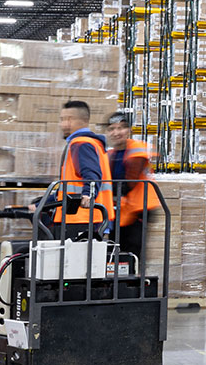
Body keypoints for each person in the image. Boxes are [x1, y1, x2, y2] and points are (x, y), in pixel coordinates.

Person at [54, 100, 116, 237]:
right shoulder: (92, 143)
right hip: (90, 216)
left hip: (82, 216)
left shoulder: (81, 144)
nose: (62, 124)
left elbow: (92, 174)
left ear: (72, 121)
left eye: (65, 119)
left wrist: (88, 195)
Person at [104, 111, 156, 268]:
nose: (116, 132)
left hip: (140, 209)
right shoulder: (110, 154)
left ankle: (135, 285)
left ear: (129, 130)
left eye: (121, 128)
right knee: (115, 250)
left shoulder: (137, 149)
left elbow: (128, 182)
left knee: (133, 251)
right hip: (120, 211)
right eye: (112, 128)